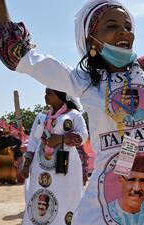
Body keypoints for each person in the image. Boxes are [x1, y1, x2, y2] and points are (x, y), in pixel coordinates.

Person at [0, 0, 144, 224]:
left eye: (127, 26)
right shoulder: (83, 82)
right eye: (112, 26)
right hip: (106, 198)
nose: (125, 32)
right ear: (92, 40)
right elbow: (20, 56)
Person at [21, 88, 88, 225]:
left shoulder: (74, 115)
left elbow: (83, 137)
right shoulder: (41, 117)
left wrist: (61, 139)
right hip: (41, 166)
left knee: (65, 195)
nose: (45, 96)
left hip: (65, 165)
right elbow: (33, 142)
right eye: (45, 92)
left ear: (60, 95)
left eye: (49, 93)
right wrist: (27, 164)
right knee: (42, 194)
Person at [108, 155, 144, 225]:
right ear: (120, 180)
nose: (137, 188)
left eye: (143, 181)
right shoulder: (106, 213)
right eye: (131, 180)